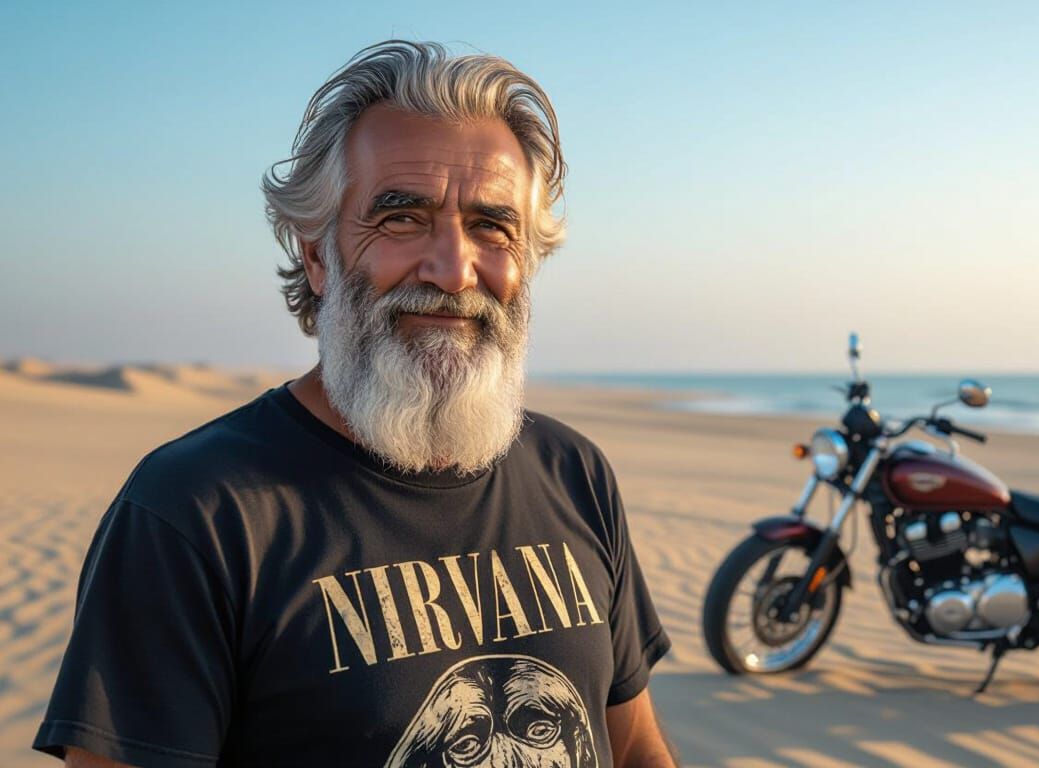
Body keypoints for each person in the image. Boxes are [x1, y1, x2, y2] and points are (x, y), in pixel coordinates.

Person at [33, 40, 675, 767]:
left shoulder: (574, 473)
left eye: (493, 227)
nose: (453, 268)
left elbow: (634, 746)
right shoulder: (195, 513)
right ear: (316, 255)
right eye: (402, 219)